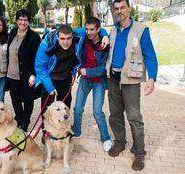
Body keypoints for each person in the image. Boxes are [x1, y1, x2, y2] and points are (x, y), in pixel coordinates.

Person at [106, 0, 158, 170]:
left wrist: (151, 78)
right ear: (114, 11)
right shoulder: (112, 30)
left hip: (131, 81)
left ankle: (139, 153)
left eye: (122, 8)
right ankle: (120, 142)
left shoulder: (141, 29)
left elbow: (150, 55)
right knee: (115, 114)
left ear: (128, 8)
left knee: (134, 118)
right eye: (116, 9)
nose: (120, 11)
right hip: (113, 79)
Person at [35, 25, 109, 111]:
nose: (65, 42)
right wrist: (49, 87)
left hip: (66, 79)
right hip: (49, 78)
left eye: (68, 38)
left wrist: (105, 36)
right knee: (47, 112)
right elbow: (40, 67)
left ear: (72, 36)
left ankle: (64, 125)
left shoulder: (78, 34)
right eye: (62, 39)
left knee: (65, 110)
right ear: (57, 37)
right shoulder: (47, 43)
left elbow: (95, 27)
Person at [72, 17, 112, 152]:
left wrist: (86, 71)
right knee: (77, 109)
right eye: (87, 29)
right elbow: (72, 30)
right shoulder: (84, 37)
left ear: (98, 30)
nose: (88, 32)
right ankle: (76, 132)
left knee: (97, 112)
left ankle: (106, 138)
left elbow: (103, 68)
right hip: (84, 80)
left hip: (98, 82)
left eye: (91, 30)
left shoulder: (105, 45)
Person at [7, 9, 41, 132]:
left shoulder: (34, 37)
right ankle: (19, 118)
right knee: (15, 99)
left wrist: (33, 74)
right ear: (16, 21)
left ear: (28, 21)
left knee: (27, 99)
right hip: (12, 74)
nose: (22, 22)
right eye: (20, 19)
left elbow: (37, 58)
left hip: (27, 75)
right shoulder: (12, 32)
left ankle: (25, 122)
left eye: (25, 20)